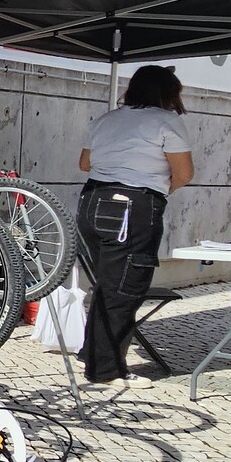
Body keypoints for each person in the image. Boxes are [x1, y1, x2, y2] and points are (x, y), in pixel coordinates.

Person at [76, 65, 193, 385]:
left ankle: (93, 352)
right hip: (132, 207)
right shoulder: (167, 122)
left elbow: (85, 164)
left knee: (107, 284)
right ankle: (106, 371)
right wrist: (153, 193)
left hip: (92, 202)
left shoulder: (107, 119)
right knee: (124, 289)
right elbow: (183, 174)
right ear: (167, 93)